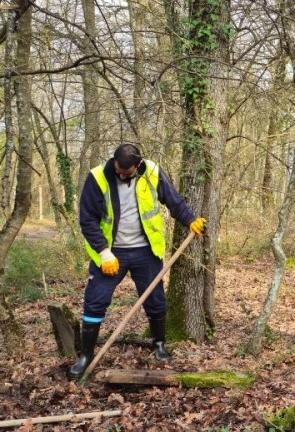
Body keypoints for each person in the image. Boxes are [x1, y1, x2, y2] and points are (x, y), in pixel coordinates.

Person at [70, 143, 205, 379]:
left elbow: (173, 201)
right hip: (111, 253)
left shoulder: (152, 171)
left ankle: (160, 344)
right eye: (118, 170)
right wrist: (103, 252)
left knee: (155, 299)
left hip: (146, 251)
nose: (121, 175)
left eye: (126, 172)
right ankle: (85, 356)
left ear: (138, 165)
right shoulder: (98, 177)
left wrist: (190, 220)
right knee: (95, 300)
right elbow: (87, 220)